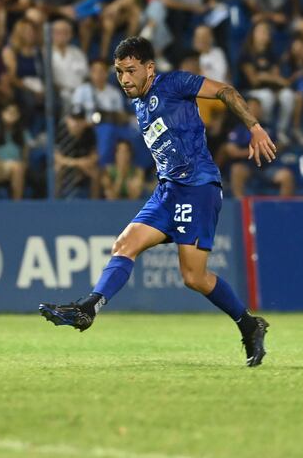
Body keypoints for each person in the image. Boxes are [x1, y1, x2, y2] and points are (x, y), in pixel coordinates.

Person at [39, 36, 273, 367]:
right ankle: (88, 308)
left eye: (130, 71)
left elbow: (226, 91)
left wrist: (255, 127)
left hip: (197, 187)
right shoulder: (139, 102)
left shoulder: (175, 83)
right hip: (167, 190)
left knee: (193, 277)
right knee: (124, 244)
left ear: (150, 68)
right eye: (119, 72)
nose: (124, 79)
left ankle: (249, 324)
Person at [223, 97, 295, 197]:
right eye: (252, 107)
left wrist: (259, 150)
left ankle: (282, 210)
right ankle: (241, 206)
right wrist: (255, 151)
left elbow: (277, 146)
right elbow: (232, 151)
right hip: (247, 166)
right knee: (236, 169)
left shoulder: (268, 128)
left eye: (258, 107)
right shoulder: (239, 129)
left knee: (286, 176)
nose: (256, 110)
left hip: (267, 167)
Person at [0, 102, 29, 200]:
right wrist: (6, 164)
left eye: (14, 113)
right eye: (8, 112)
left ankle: (17, 203)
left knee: (18, 167)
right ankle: (17, 203)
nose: (11, 115)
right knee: (16, 167)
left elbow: (25, 156)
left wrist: (22, 164)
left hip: (17, 167)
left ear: (18, 116)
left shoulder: (23, 133)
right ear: (2, 114)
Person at [55, 109, 99, 198]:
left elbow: (94, 157)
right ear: (67, 120)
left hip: (84, 167)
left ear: (84, 122)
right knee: (57, 169)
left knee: (96, 173)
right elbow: (57, 158)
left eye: (79, 120)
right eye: (73, 119)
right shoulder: (62, 132)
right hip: (68, 166)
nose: (76, 123)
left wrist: (78, 163)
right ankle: (55, 199)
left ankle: (95, 202)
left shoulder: (89, 133)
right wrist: (76, 163)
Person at [51, 18, 89, 112]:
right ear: (51, 34)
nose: (62, 35)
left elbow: (86, 76)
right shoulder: (45, 53)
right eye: (58, 32)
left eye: (65, 32)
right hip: (59, 95)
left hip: (80, 94)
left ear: (70, 35)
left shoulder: (78, 53)